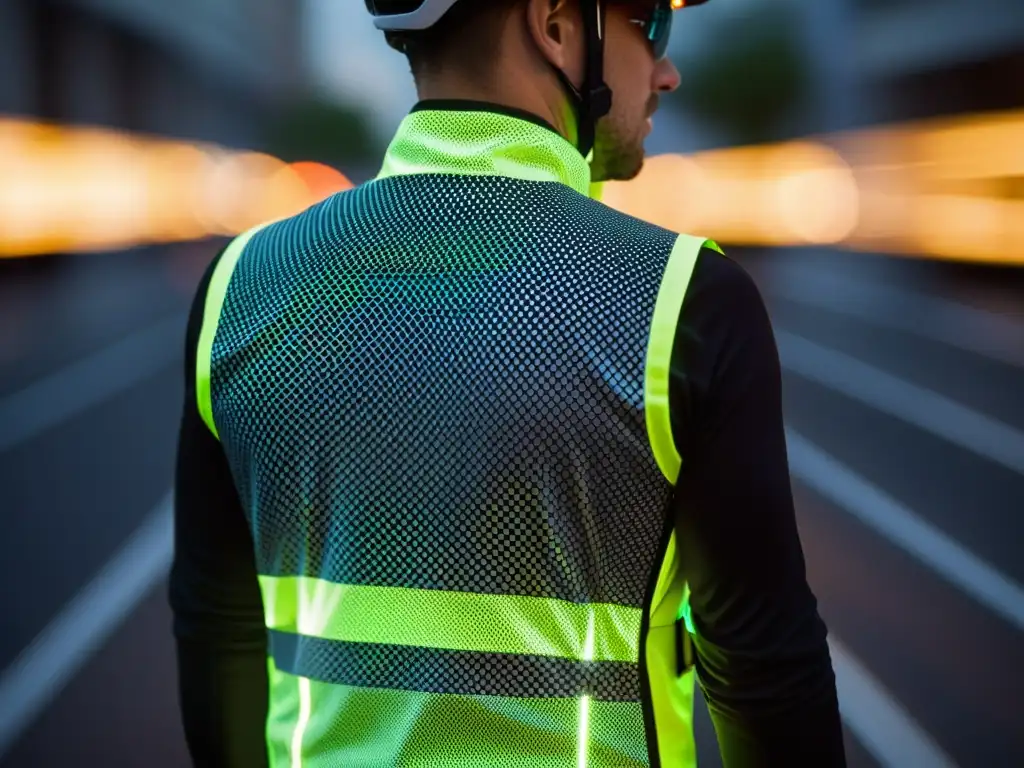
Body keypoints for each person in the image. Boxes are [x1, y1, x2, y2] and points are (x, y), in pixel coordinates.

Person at [170, 0, 847, 765]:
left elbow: (217, 627)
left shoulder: (242, 287)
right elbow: (764, 671)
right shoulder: (683, 299)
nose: (667, 69)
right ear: (556, 22)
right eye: (650, 21)